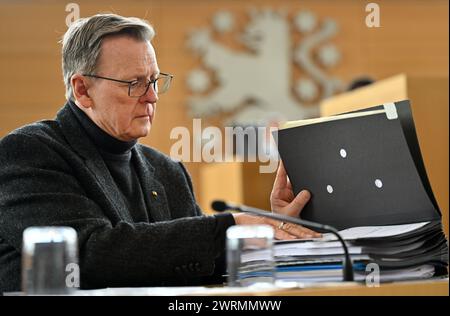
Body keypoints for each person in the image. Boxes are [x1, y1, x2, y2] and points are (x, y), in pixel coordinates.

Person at [0, 14, 319, 293]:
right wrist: (231, 227)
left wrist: (272, 235)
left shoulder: (167, 170)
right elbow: (87, 255)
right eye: (134, 84)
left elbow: (201, 263)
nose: (152, 97)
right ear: (83, 89)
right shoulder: (28, 151)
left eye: (154, 81)